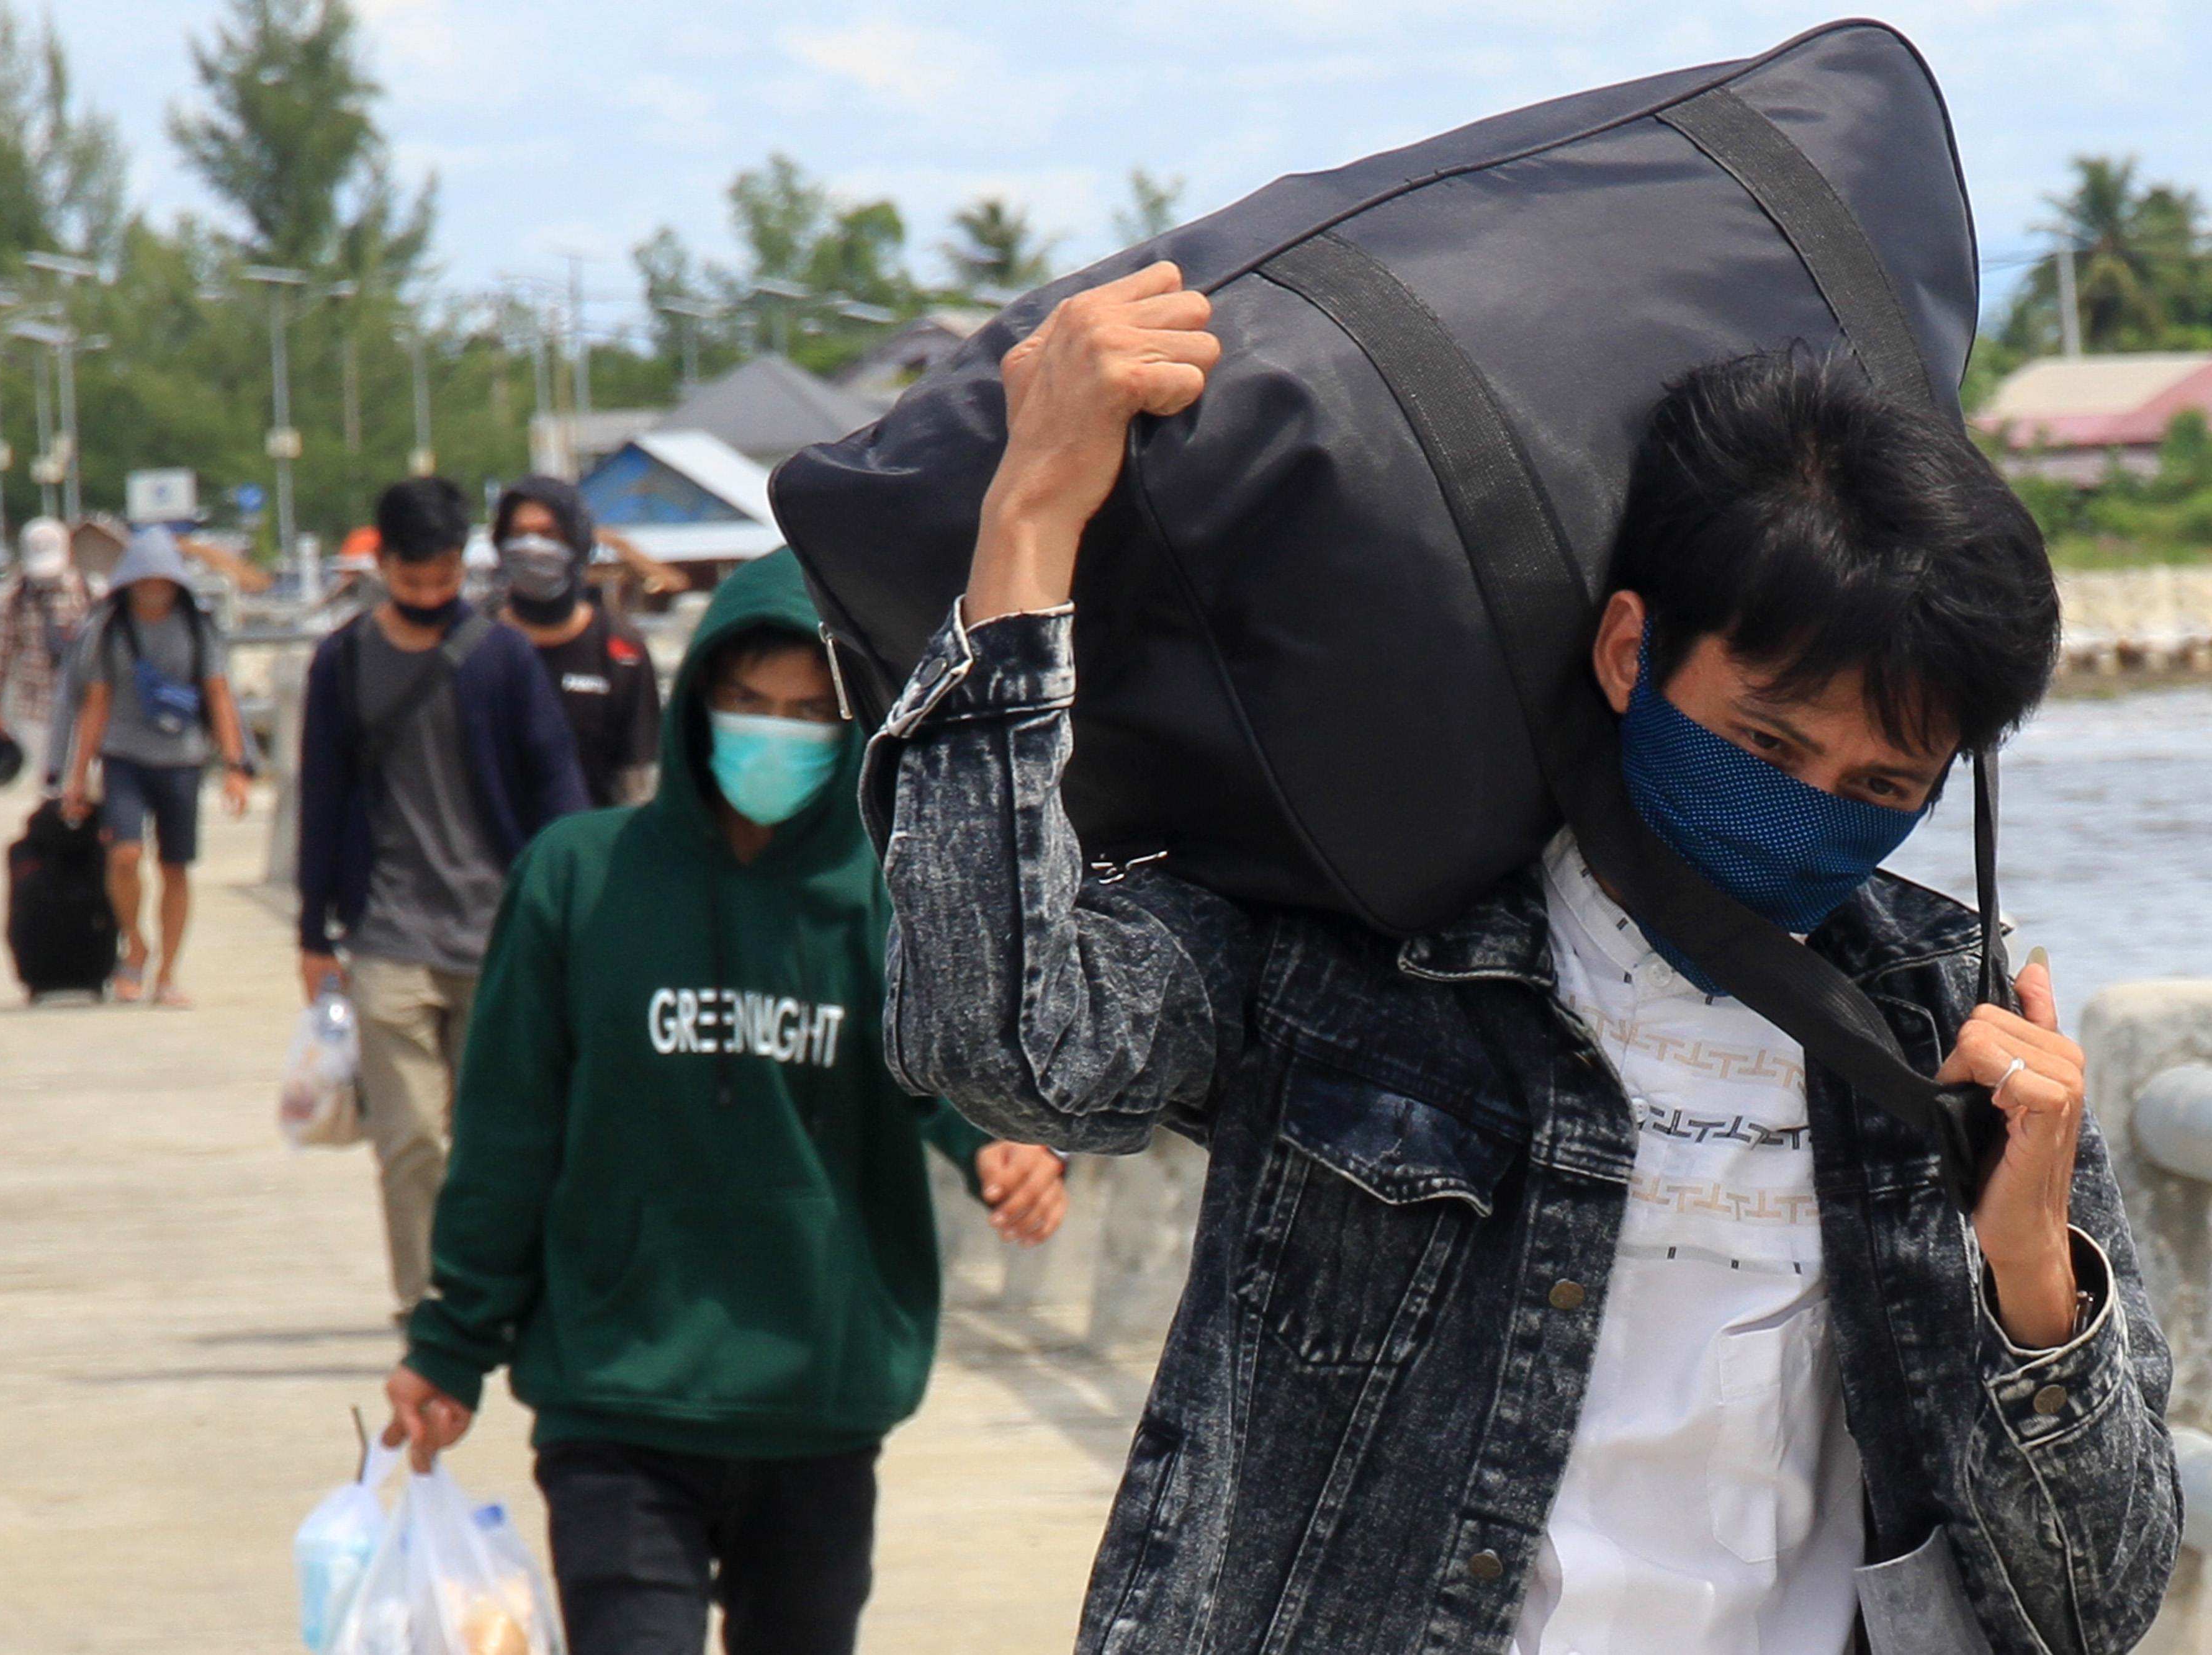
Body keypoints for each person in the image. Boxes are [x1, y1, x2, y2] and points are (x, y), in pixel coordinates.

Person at [868, 266, 2176, 1653]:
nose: (1801, 810)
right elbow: (1001, 1044)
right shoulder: (1372, 943)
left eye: (1878, 785)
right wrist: (1030, 515)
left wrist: (2034, 1274)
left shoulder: (1948, 1038)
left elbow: (2093, 1602)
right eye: (1764, 746)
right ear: (1629, 650)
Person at [380, 549, 1071, 1655]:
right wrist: (451, 1341)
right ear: (696, 700)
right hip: (617, 1391)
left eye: (810, 710)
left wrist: (1011, 1147)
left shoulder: (891, 897)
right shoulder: (576, 877)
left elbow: (956, 1073)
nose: (776, 731)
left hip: (820, 1394)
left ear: (854, 724)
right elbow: (508, 1131)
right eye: (748, 701)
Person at [297, 476, 591, 1326]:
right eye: (412, 580)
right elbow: (322, 795)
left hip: (495, 934)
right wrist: (314, 929)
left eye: (442, 580)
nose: (429, 597)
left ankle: (502, 1285)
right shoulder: (341, 661)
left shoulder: (501, 658)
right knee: (412, 1136)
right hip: (387, 930)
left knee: (494, 1141)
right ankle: (430, 1307)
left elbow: (555, 785)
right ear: (379, 564)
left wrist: (572, 905)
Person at [60, 527, 253, 1007]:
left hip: (183, 758)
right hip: (124, 755)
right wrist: (76, 776)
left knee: (175, 866)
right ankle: (136, 943)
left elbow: (219, 693)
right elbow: (95, 704)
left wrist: (235, 765)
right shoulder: (112, 627)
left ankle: (167, 971)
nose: (153, 588)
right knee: (124, 855)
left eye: (162, 580)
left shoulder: (196, 624)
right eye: (144, 579)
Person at [492, 475, 663, 807]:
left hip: (588, 847)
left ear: (577, 543)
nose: (532, 548)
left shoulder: (621, 650)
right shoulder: (476, 645)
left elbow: (639, 780)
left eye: (547, 534)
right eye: (519, 534)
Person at [0, 517, 89, 781]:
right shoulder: (17, 599)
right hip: (37, 708)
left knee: (90, 784)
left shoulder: (89, 592)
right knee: (51, 783)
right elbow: (1, 655)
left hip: (83, 703)